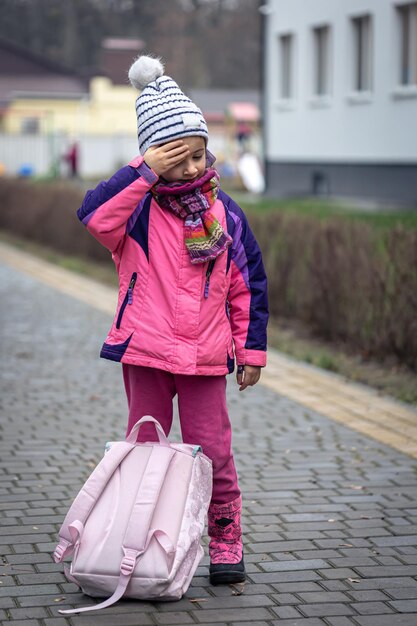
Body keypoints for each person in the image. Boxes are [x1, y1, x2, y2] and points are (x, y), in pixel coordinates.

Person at [77, 56, 268, 586]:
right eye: (176, 158)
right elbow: (94, 215)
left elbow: (246, 285)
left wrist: (250, 351)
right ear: (154, 156)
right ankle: (139, 544)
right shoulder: (136, 210)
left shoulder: (225, 214)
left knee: (216, 455)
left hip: (206, 358)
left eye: (197, 155)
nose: (189, 168)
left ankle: (226, 539)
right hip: (147, 354)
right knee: (145, 455)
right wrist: (144, 171)